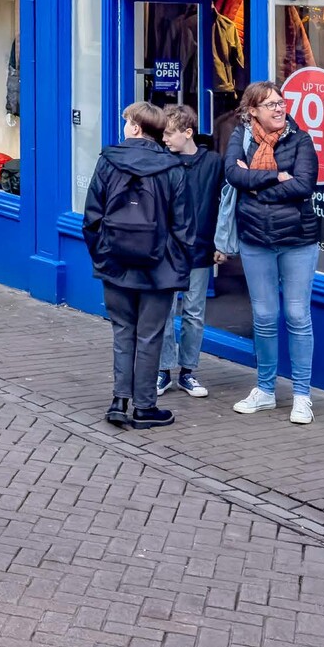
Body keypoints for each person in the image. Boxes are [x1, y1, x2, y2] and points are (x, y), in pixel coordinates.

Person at [83, 101, 195, 430]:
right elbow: (184, 228)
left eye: (126, 121)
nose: (123, 126)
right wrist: (175, 266)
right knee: (150, 336)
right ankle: (145, 407)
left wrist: (104, 255)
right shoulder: (173, 168)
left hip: (115, 263)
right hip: (158, 268)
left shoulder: (108, 162)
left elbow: (92, 218)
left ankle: (119, 400)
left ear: (135, 128)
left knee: (122, 332)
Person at [223, 81, 322, 424]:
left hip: (298, 239)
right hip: (255, 239)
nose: (280, 109)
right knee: (264, 318)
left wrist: (255, 184)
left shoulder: (301, 140)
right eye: (270, 105)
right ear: (253, 111)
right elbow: (232, 173)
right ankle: (265, 390)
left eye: (281, 103)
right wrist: (274, 178)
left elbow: (304, 185)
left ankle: (302, 396)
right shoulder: (241, 136)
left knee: (297, 316)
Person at [158, 103, 225, 399]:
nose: (164, 139)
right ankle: (163, 370)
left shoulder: (213, 163)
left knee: (194, 313)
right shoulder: (162, 161)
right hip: (167, 249)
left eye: (170, 133)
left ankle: (187, 371)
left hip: (199, 247)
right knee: (163, 312)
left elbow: (224, 205)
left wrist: (221, 243)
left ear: (188, 133)